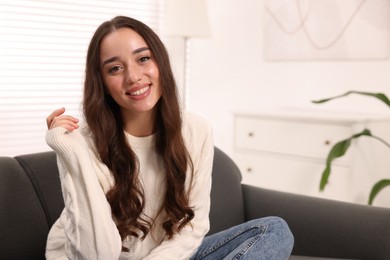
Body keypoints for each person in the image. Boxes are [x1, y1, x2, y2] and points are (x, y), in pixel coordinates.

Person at [45, 16, 294, 260]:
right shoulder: (79, 144)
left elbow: (192, 228)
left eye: (143, 58)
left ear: (160, 63)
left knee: (274, 231)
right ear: (102, 83)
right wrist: (72, 154)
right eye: (115, 68)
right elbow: (96, 255)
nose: (133, 76)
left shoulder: (196, 130)